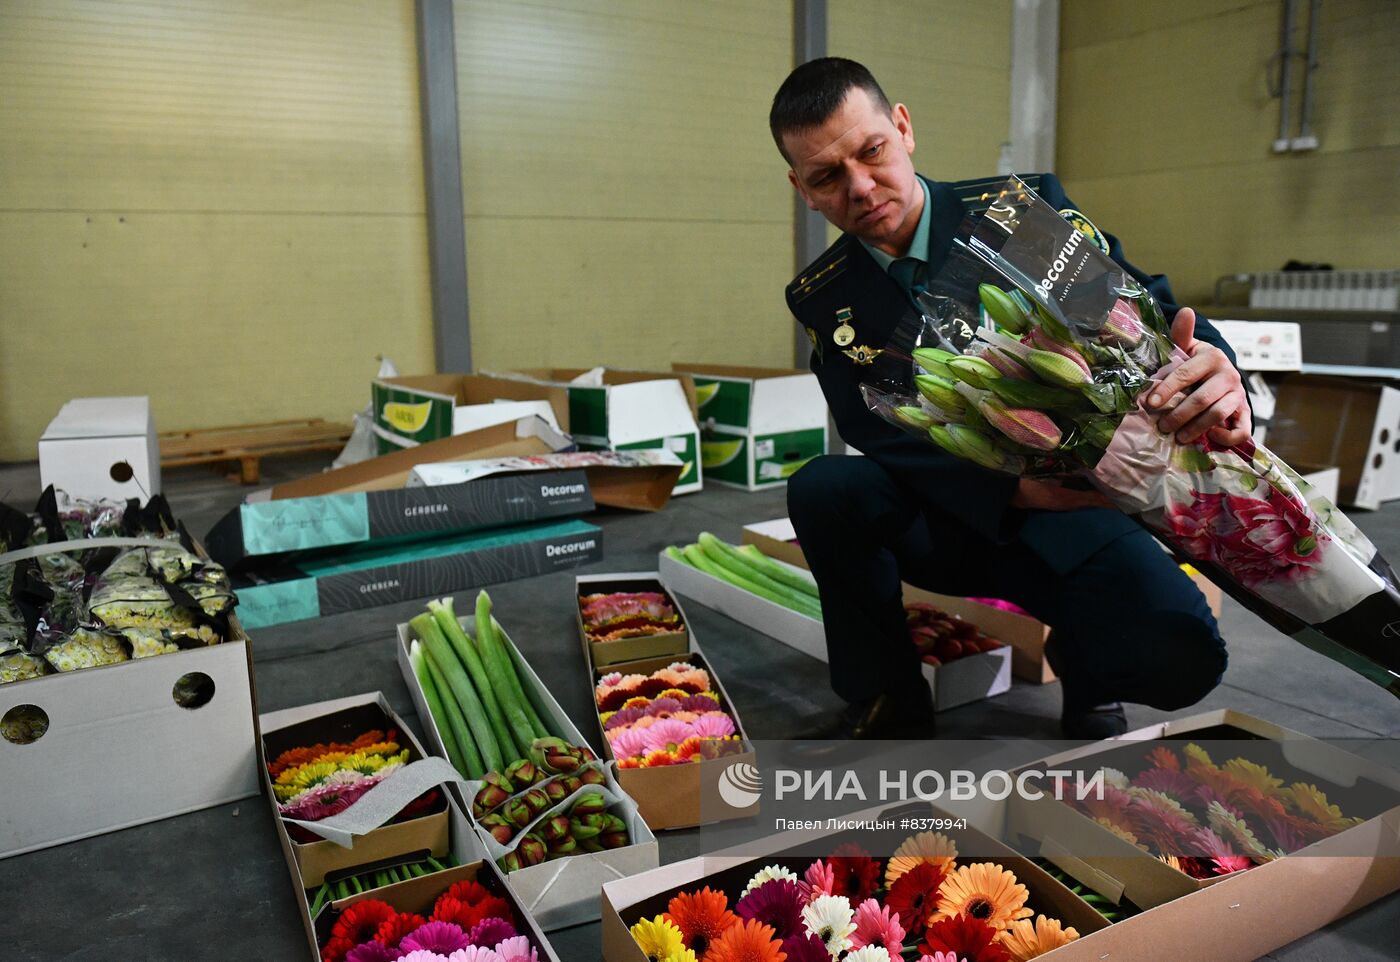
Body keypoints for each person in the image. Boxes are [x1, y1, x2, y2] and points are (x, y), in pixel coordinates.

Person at [770, 58, 1249, 740]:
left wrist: (1217, 366)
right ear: (802, 189)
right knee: (825, 488)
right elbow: (868, 426)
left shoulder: (1017, 212)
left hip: (1078, 506)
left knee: (1180, 660)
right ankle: (886, 690)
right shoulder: (824, 295)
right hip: (947, 511)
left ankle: (1085, 663)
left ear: (903, 128)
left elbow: (1145, 313)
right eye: (826, 177)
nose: (861, 187)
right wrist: (1012, 491)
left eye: (871, 151)